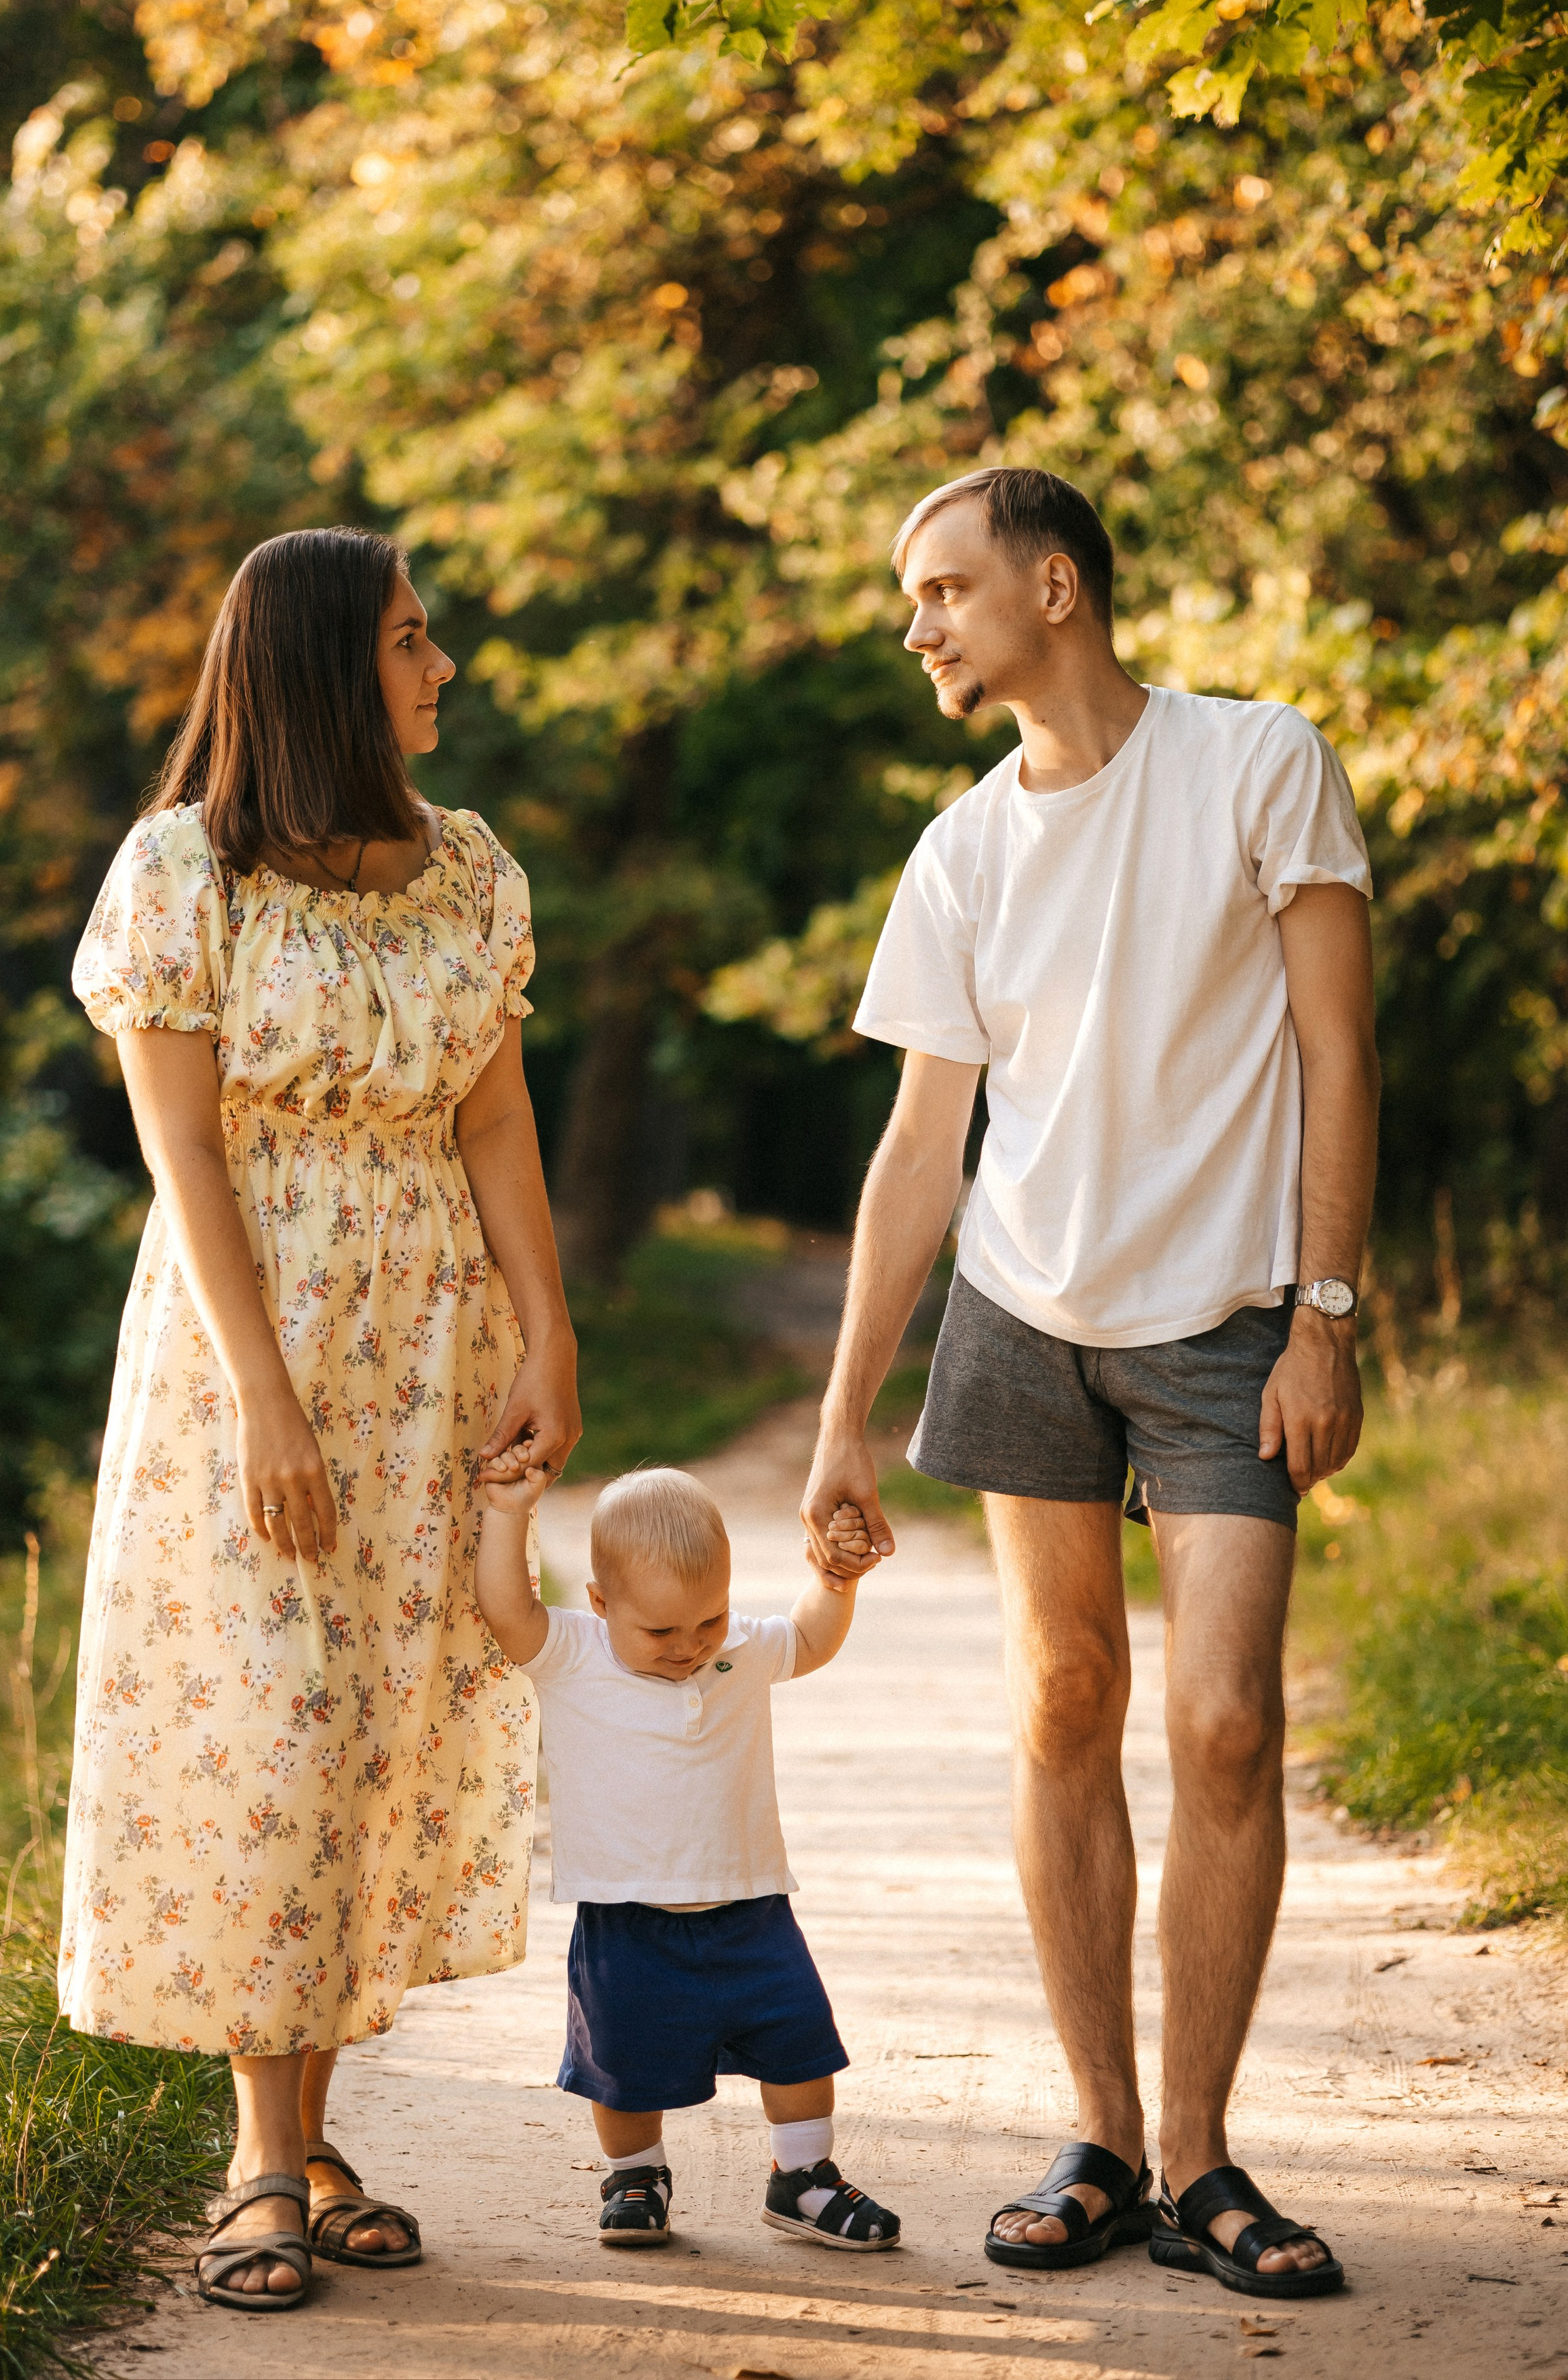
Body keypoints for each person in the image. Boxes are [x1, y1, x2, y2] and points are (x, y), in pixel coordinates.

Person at [803, 466, 1375, 2303]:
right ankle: (1108, 2137)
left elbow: (1338, 1048)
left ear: (1056, 586)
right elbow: (918, 1149)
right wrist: (840, 1417)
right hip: (1023, 1316)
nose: (921, 627)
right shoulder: (962, 848)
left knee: (1223, 1721)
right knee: (1064, 1698)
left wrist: (1328, 1311)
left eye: (945, 588)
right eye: (913, 599)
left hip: (1227, 1322)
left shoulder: (1259, 762)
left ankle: (1207, 2157)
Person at [61, 527, 581, 2313]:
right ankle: (257, 2160)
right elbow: (182, 1148)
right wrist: (265, 1396)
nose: (442, 671)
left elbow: (496, 1122)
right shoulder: (182, 877)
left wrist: (549, 1330)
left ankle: (314, 2140)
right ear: (316, 671)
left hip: (431, 1339)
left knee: (362, 1736)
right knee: (266, 1729)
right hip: (251, 1349)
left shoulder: (468, 873)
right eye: (413, 641)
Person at [474, 1460, 900, 2254]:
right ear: (602, 1605)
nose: (688, 1647)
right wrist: (507, 1510)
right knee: (623, 2065)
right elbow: (506, 1608)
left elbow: (807, 1638)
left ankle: (802, 2177)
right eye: (661, 1632)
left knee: (800, 2043)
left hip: (751, 1907)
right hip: (628, 1918)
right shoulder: (573, 1651)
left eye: (707, 1620)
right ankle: (634, 2176)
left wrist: (836, 1582)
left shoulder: (735, 1650)